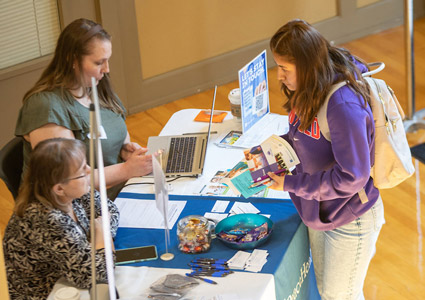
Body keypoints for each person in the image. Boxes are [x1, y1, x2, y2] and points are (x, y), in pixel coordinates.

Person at [267, 19, 385, 300]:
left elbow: (352, 176)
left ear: (307, 65)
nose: (279, 76)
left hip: (350, 216)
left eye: (284, 68)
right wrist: (271, 152)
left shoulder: (343, 106)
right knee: (328, 293)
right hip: (319, 210)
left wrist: (293, 184)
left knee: (340, 295)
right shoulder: (309, 88)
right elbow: (306, 135)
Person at [15, 18, 152, 198]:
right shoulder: (46, 107)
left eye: (107, 60)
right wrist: (127, 169)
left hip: (117, 190)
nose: (106, 69)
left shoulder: (96, 86)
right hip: (77, 208)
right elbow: (67, 181)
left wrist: (124, 148)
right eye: (98, 63)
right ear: (71, 60)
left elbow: (116, 128)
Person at [2, 138, 120, 300]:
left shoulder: (74, 190)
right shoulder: (46, 219)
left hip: (70, 277)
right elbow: (99, 275)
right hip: (52, 294)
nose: (89, 171)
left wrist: (98, 241)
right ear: (59, 188)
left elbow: (111, 210)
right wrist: (101, 234)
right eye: (81, 171)